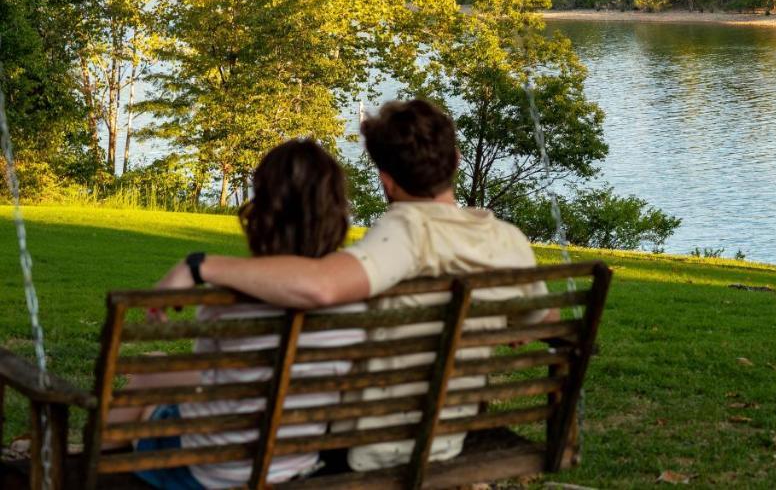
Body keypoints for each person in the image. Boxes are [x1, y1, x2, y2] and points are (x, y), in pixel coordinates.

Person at [154, 98, 547, 470]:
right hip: (444, 436)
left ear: (387, 181)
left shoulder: (407, 231)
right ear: (456, 161)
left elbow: (321, 287)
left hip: (368, 447)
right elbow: (543, 317)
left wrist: (201, 266)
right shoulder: (507, 239)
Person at [121, 139, 365, 489]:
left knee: (148, 392)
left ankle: (84, 453)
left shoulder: (227, 302)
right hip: (294, 464)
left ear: (261, 211)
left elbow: (209, 379)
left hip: (212, 473)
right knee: (155, 366)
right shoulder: (353, 302)